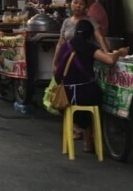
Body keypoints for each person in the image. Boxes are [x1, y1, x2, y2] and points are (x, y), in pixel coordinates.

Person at [54, 19, 128, 153]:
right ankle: (92, 138)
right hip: (82, 95)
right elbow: (110, 60)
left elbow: (58, 68)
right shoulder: (88, 47)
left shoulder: (66, 45)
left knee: (88, 96)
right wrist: (119, 52)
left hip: (66, 93)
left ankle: (86, 138)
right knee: (99, 96)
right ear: (90, 35)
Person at [53, 0, 110, 66]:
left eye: (82, 4)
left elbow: (100, 38)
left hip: (85, 59)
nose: (78, 6)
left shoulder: (90, 21)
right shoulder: (66, 22)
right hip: (69, 59)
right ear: (70, 4)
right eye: (75, 2)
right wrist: (55, 62)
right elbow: (60, 43)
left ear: (86, 7)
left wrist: (107, 55)